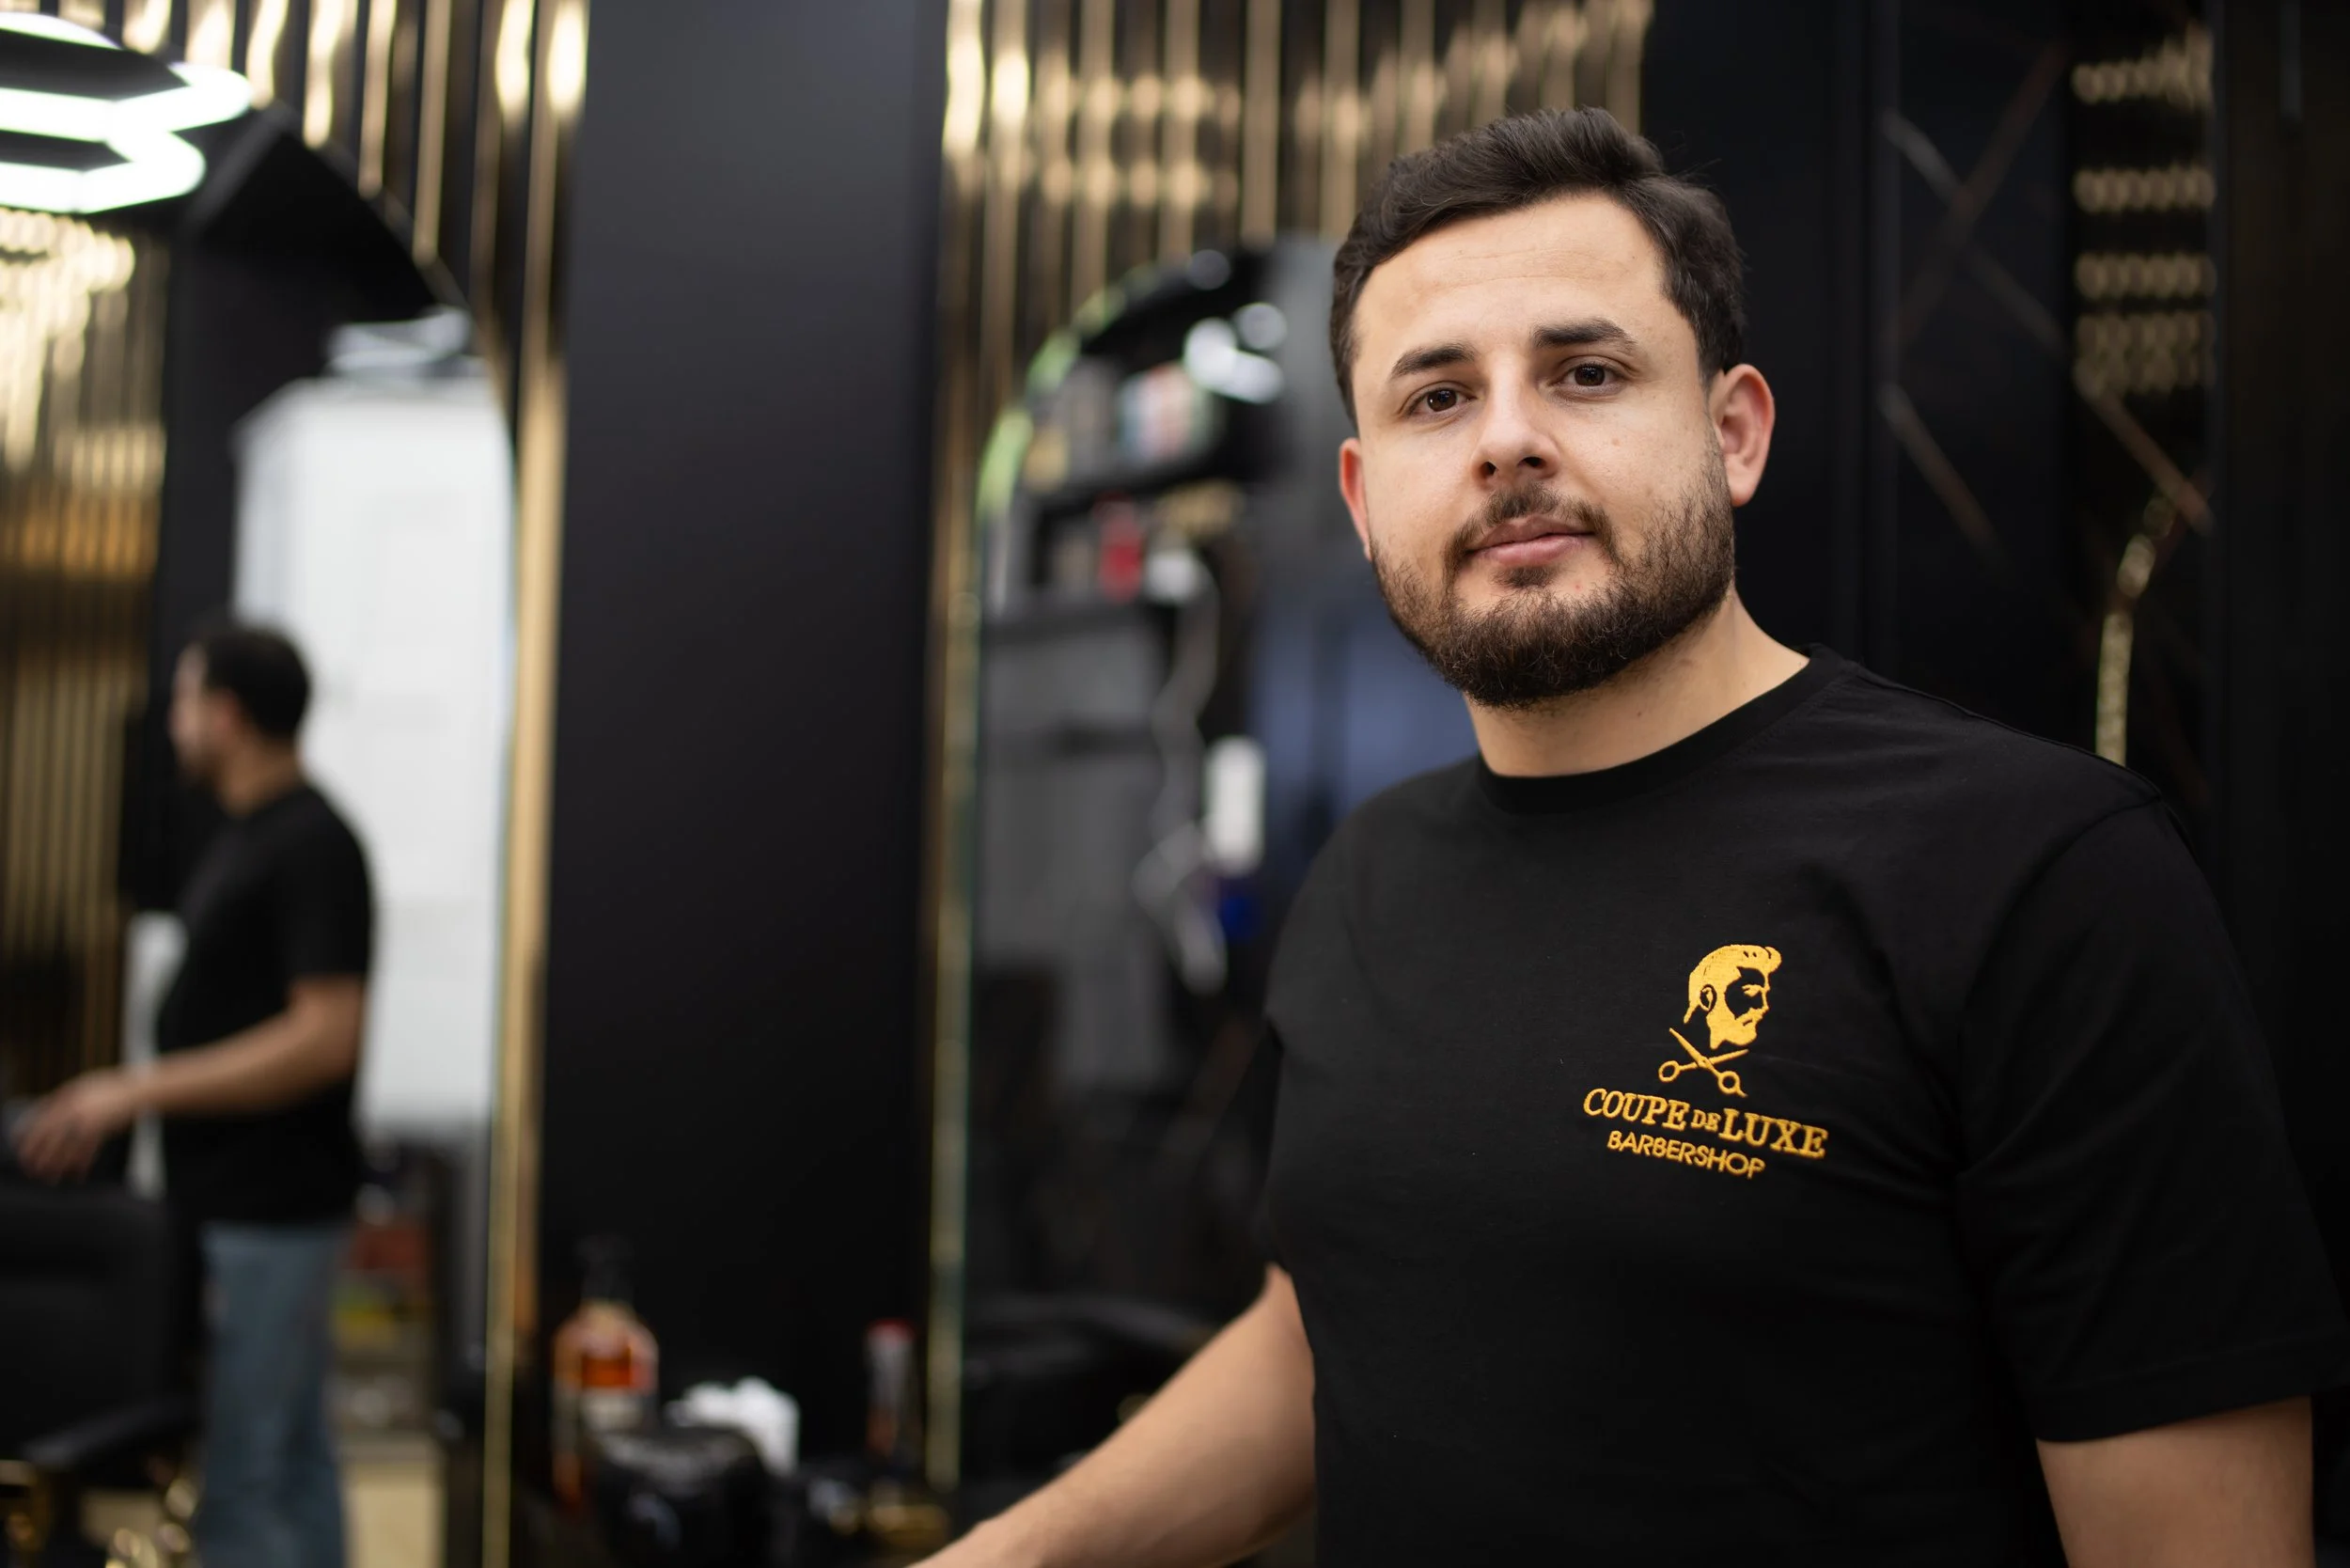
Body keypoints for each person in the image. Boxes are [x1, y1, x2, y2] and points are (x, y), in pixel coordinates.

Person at [928, 108, 2348, 1567]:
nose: (1508, 442)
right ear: (1363, 503)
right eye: (1434, 400)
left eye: (1586, 372)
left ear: (1732, 434)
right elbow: (1324, 1325)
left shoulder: (2043, 878)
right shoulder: (1369, 877)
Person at [17, 618, 370, 1568]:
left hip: (272, 1211)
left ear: (227, 715)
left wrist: (140, 1089)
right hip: (239, 1204)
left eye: (182, 700)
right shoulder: (254, 837)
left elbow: (327, 1036)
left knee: (248, 1482)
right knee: (291, 1461)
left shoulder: (310, 845)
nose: (170, 722)